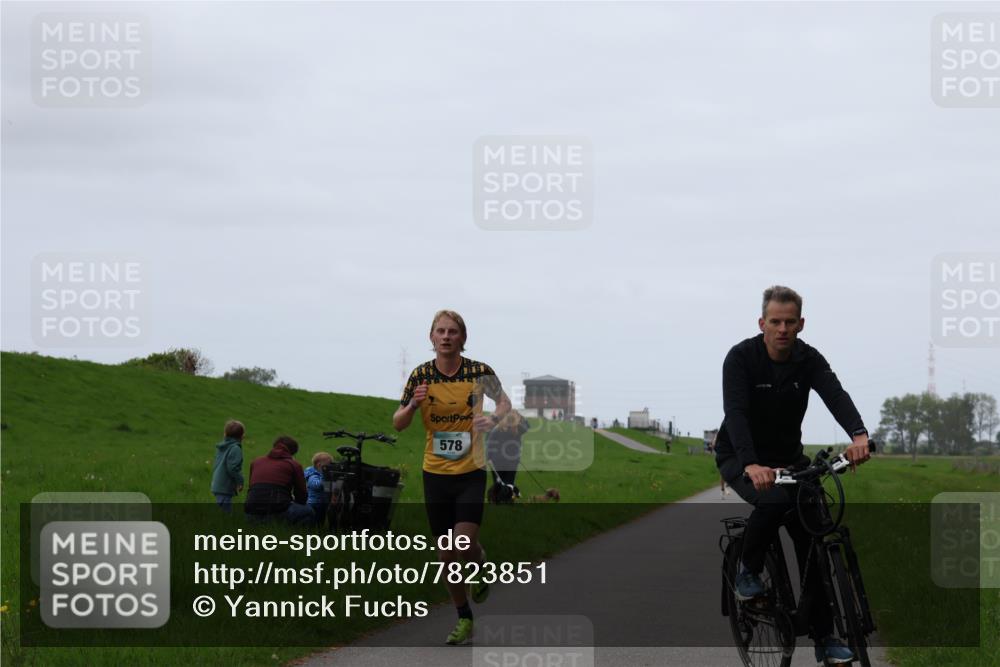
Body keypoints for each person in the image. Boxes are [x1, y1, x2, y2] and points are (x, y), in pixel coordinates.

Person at [715, 285, 871, 665]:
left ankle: (824, 635)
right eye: (775, 321)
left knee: (814, 532)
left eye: (789, 322)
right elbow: (735, 413)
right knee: (773, 501)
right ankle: (747, 572)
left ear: (801, 323)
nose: (782, 328)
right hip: (740, 455)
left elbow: (835, 394)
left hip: (789, 459)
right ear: (762, 323)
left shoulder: (808, 359)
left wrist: (859, 434)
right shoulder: (741, 358)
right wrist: (751, 464)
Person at [393, 309, 512, 646]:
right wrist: (412, 407)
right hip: (435, 472)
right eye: (440, 331)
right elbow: (398, 422)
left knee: (462, 543)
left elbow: (503, 402)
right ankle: (464, 617)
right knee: (445, 553)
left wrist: (493, 420)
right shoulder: (420, 375)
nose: (446, 337)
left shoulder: (478, 371)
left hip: (471, 470)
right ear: (431, 338)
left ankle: (481, 563)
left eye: (452, 332)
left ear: (463, 337)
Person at [244, 435, 314, 525]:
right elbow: (301, 495)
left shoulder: (256, 462)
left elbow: (252, 487)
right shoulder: (294, 465)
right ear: (292, 452)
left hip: (250, 512)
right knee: (309, 511)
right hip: (276, 511)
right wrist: (293, 501)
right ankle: (294, 535)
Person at [210, 420, 245, 513]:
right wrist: (240, 481)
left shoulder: (222, 447)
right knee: (225, 514)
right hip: (225, 486)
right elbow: (233, 468)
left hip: (218, 484)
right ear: (242, 437)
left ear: (225, 434)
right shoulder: (235, 448)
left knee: (222, 512)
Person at [305, 451, 334, 525]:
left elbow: (328, 488)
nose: (330, 467)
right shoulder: (312, 476)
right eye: (328, 466)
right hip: (314, 504)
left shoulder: (322, 475)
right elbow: (317, 486)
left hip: (323, 503)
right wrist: (325, 476)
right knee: (314, 521)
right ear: (320, 465)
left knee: (321, 521)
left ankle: (318, 531)